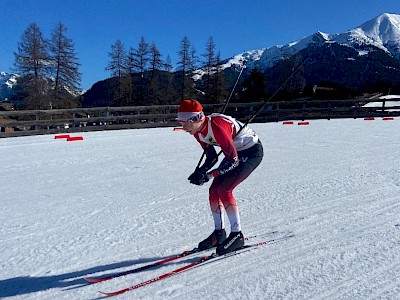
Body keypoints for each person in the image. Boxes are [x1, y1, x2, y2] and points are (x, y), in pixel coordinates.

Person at [177, 99, 264, 255]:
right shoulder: (197, 131)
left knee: (225, 190)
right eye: (181, 123)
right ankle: (219, 234)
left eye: (185, 123)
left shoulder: (216, 127)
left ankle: (237, 235)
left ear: (196, 119)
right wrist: (201, 171)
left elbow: (233, 161)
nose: (183, 128)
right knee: (214, 190)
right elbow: (212, 156)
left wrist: (209, 175)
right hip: (234, 152)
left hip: (251, 152)